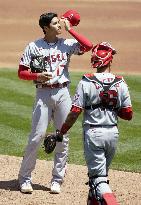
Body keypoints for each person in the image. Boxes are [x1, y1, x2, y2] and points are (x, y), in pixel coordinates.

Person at [18, 12, 93, 194]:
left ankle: (57, 180)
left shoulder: (66, 44)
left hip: (63, 93)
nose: (59, 24)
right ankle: (25, 179)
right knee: (36, 137)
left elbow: (88, 46)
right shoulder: (33, 46)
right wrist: (37, 76)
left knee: (62, 137)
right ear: (45, 28)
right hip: (43, 94)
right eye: (54, 23)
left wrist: (71, 30)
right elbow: (21, 72)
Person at [56, 42, 133, 204]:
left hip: (93, 134)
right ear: (110, 61)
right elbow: (128, 114)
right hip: (113, 134)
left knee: (99, 179)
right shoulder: (121, 83)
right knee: (100, 176)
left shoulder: (86, 82)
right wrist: (111, 106)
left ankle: (110, 202)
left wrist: (61, 131)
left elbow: (75, 112)